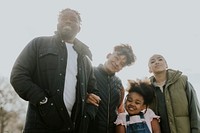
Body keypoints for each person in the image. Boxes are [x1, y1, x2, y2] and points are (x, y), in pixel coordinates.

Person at [10, 8, 100, 133]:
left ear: (79, 28)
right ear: (57, 24)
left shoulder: (85, 60)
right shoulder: (38, 44)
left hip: (73, 127)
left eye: (73, 19)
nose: (68, 21)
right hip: (40, 126)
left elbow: (94, 92)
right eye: (64, 18)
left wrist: (87, 116)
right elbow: (18, 75)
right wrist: (43, 101)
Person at [88, 44, 136, 133]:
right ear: (109, 55)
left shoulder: (119, 84)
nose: (117, 63)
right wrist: (85, 96)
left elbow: (120, 110)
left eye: (122, 64)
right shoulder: (89, 72)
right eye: (116, 58)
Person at [148, 54, 200, 133]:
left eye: (160, 59)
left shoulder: (182, 82)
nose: (157, 62)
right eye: (152, 61)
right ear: (149, 69)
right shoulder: (147, 89)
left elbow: (194, 110)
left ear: (166, 65)